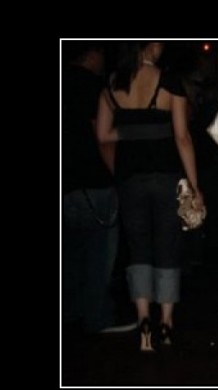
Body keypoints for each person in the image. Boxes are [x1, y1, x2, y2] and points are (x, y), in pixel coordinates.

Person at [96, 42, 204, 351]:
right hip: (167, 178)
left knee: (138, 249)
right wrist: (194, 187)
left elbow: (103, 135)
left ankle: (144, 322)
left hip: (130, 180)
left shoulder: (113, 83)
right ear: (152, 45)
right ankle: (166, 322)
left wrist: (131, 133)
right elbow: (182, 137)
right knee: (168, 247)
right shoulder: (169, 82)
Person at [62, 42, 135, 335]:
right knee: (98, 253)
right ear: (93, 53)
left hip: (67, 181)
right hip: (95, 180)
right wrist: (118, 175)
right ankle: (96, 315)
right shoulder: (93, 87)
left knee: (70, 253)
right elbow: (102, 136)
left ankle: (70, 311)